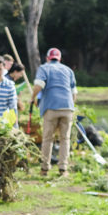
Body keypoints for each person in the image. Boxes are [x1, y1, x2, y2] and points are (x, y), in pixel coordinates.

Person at [30, 47, 77, 177]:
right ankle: (63, 169)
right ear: (60, 59)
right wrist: (71, 107)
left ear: (47, 58)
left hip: (51, 107)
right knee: (65, 139)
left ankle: (45, 169)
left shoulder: (44, 68)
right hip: (67, 108)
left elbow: (39, 85)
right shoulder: (68, 70)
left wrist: (32, 98)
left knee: (47, 139)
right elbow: (74, 94)